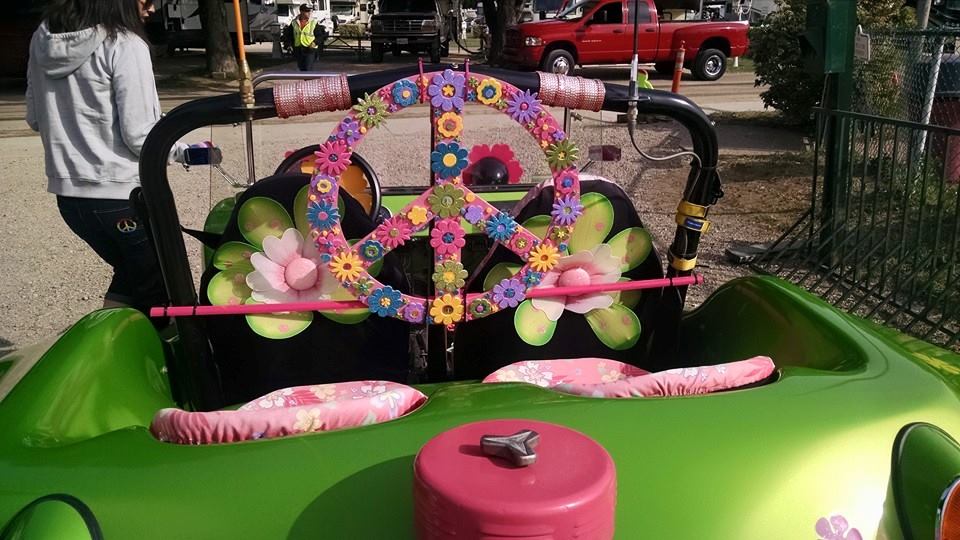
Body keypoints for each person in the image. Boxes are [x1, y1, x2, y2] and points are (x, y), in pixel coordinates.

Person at [25, 0, 190, 317]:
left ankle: (107, 339)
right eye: (145, 0)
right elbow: (140, 135)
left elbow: (35, 118)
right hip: (119, 195)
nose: (151, 8)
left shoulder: (41, 40)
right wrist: (184, 151)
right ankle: (154, 346)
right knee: (161, 286)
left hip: (70, 199)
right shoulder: (125, 44)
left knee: (133, 278)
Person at [291, 3, 320, 71]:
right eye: (307, 11)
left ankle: (309, 78)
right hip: (298, 49)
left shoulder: (313, 22)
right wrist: (289, 45)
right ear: (301, 11)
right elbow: (289, 35)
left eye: (310, 11)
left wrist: (314, 43)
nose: (309, 13)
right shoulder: (294, 22)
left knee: (308, 69)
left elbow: (320, 36)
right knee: (302, 69)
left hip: (310, 49)